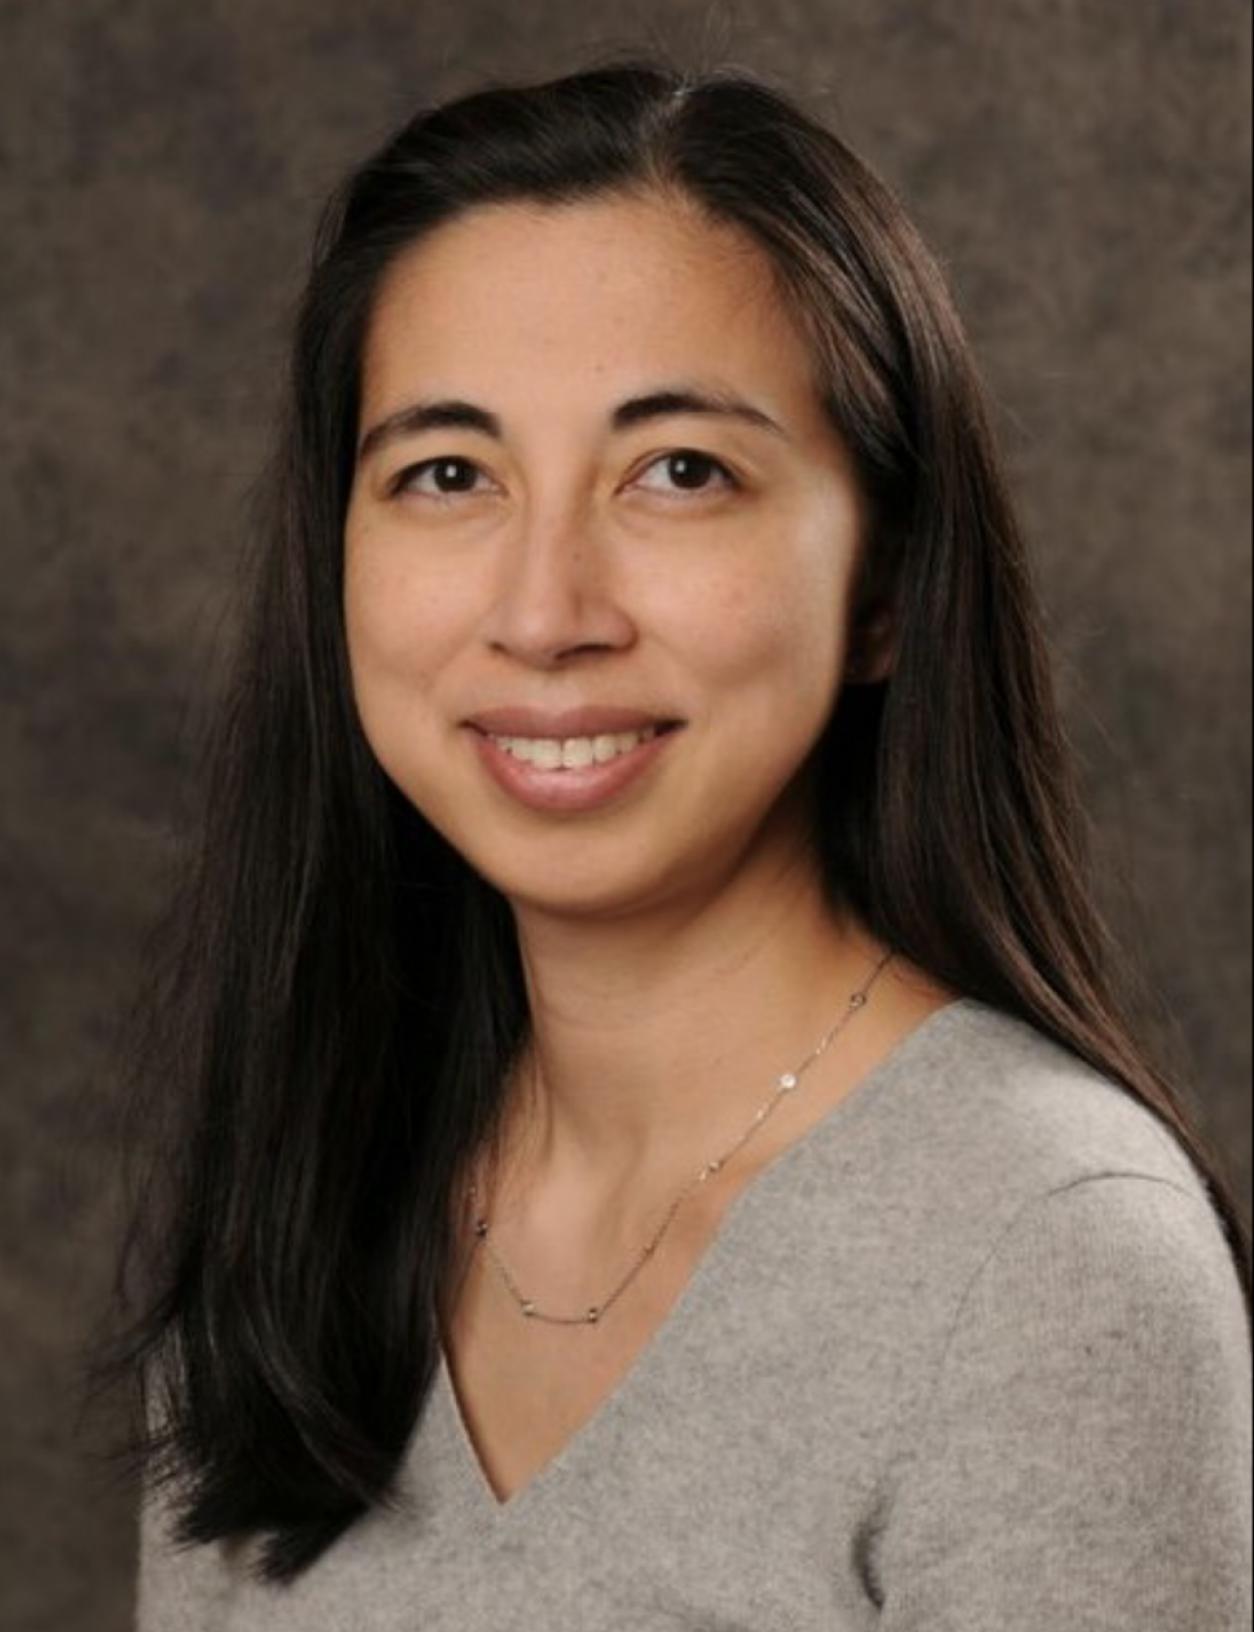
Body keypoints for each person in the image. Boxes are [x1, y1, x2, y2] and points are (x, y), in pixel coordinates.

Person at [108, 60, 1251, 1630]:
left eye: (680, 472)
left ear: (887, 587)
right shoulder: (306, 1211)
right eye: (448, 475)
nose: (544, 612)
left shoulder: (1048, 1258)